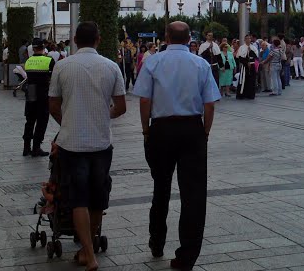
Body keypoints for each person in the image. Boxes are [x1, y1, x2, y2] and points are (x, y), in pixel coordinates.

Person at [132, 21, 219, 270]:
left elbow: (144, 100)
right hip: (192, 129)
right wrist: (205, 131)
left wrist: (146, 129)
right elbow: (210, 103)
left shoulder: (153, 62)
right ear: (189, 37)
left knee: (161, 188)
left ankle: (156, 240)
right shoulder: (200, 64)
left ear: (166, 37)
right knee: (193, 194)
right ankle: (186, 255)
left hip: (161, 129)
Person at [48, 21, 127, 271]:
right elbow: (121, 106)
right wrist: (103, 116)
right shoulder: (111, 66)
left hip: (71, 144)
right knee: (97, 198)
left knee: (78, 198)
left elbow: (52, 105)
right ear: (98, 39)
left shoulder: (62, 66)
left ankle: (89, 254)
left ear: (74, 39)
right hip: (101, 143)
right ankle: (86, 248)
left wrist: (68, 120)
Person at [23, 38, 55, 157]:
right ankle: (36, 147)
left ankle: (26, 147)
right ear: (43, 47)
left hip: (31, 91)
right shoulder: (49, 61)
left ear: (33, 48)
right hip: (43, 92)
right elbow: (53, 78)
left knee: (30, 120)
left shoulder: (28, 61)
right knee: (42, 120)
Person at [236, 34, 260, 100]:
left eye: (249, 38)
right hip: (244, 66)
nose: (248, 40)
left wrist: (250, 51)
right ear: (244, 39)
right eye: (246, 38)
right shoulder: (241, 47)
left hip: (252, 66)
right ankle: (242, 94)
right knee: (243, 80)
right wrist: (246, 62)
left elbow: (256, 57)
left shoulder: (254, 47)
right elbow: (239, 57)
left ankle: (250, 95)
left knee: (251, 81)